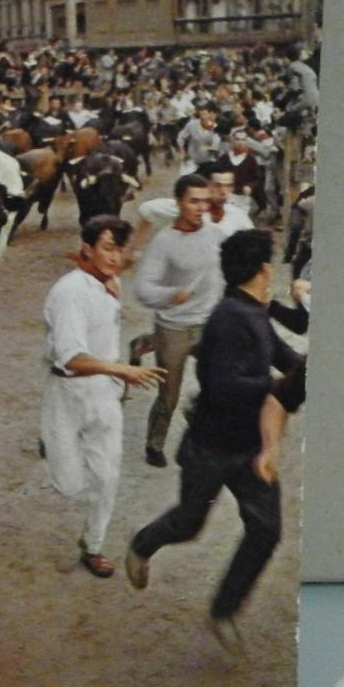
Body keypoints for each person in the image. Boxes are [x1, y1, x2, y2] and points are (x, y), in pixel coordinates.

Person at [126, 229, 306, 653]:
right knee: (189, 524)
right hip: (210, 446)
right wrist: (275, 385)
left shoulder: (255, 311)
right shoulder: (228, 319)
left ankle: (223, 610)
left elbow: (284, 355)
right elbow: (222, 385)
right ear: (264, 269)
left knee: (265, 531)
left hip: (249, 448)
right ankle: (142, 544)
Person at [41, 215, 166, 578]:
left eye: (119, 251)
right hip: (67, 391)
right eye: (107, 249)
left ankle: (92, 546)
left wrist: (115, 378)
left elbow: (125, 259)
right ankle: (54, 446)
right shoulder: (69, 293)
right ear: (88, 248)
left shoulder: (108, 281)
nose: (115, 258)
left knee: (107, 476)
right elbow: (70, 358)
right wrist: (124, 370)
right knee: (69, 483)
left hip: (104, 393)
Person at [133, 174, 225, 468]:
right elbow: (144, 288)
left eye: (204, 201)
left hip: (209, 324)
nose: (200, 208)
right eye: (193, 201)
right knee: (168, 395)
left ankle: (202, 433)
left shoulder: (215, 235)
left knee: (219, 384)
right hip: (174, 328)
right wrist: (173, 295)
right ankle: (154, 444)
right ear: (179, 203)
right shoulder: (164, 242)